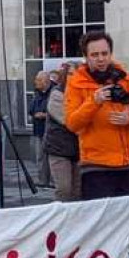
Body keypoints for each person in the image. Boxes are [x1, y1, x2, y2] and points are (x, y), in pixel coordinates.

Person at [64, 31, 129, 200]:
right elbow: (72, 124)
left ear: (110, 53)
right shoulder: (76, 84)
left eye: (104, 53)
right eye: (94, 55)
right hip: (96, 167)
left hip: (128, 164)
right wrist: (94, 102)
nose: (101, 59)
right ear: (86, 57)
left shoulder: (126, 79)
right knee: (103, 223)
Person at [45, 62, 81, 202]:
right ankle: (60, 221)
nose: (74, 77)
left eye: (77, 75)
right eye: (71, 74)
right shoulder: (57, 94)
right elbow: (70, 121)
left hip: (78, 149)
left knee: (78, 191)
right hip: (59, 148)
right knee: (64, 190)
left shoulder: (82, 94)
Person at [28, 71, 52, 187]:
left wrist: (44, 115)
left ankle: (53, 180)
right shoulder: (37, 93)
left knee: (51, 157)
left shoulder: (53, 92)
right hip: (38, 129)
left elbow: (58, 112)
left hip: (51, 131)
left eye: (38, 80)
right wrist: (34, 113)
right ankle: (42, 180)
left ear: (45, 81)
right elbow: (31, 109)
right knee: (40, 156)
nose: (35, 82)